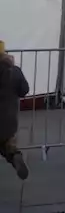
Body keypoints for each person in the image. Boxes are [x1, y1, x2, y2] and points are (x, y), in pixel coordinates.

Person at [0, 41, 30, 180]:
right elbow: (24, 90)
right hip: (9, 121)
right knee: (7, 145)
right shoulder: (15, 70)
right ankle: (15, 156)